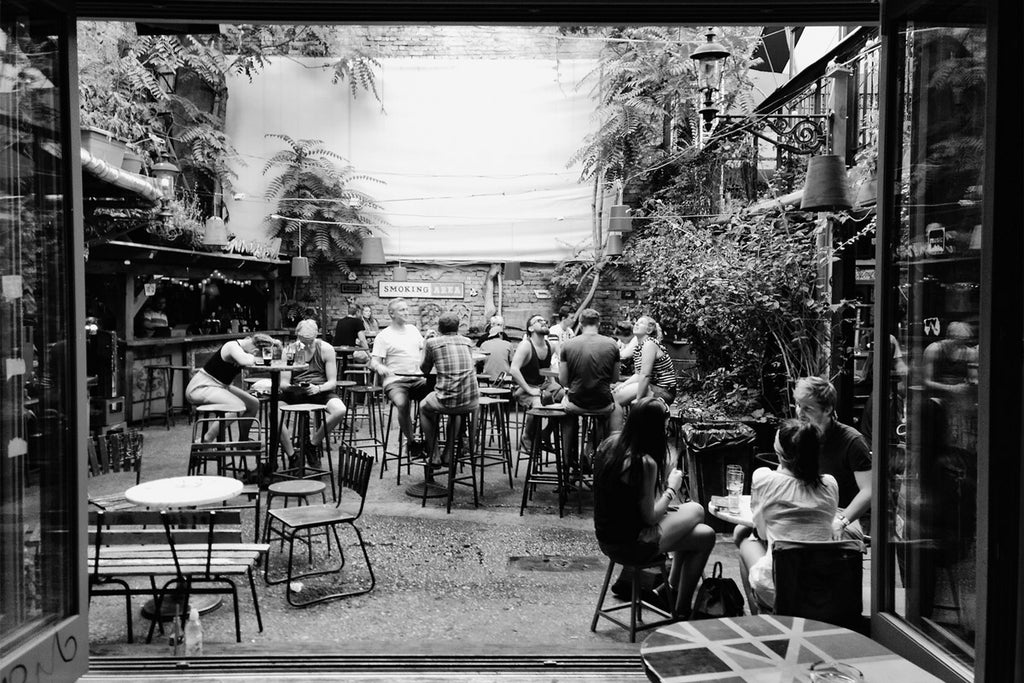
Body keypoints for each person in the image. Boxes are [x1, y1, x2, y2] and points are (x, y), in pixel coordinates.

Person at [594, 397, 716, 617]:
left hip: (607, 538)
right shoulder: (643, 462)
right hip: (632, 544)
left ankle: (670, 594)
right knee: (697, 510)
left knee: (705, 534)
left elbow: (633, 504)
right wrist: (672, 488)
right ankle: (679, 607)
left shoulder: (610, 444)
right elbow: (650, 517)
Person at [736, 419, 840, 610]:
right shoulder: (830, 484)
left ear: (780, 452)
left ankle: (763, 616)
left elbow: (761, 532)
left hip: (779, 588)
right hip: (821, 587)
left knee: (742, 537)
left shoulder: (764, 478)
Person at [793, 376, 871, 540]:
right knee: (743, 532)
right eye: (798, 406)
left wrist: (842, 521)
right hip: (807, 510)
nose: (800, 412)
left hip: (843, 514)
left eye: (807, 408)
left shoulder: (852, 441)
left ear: (827, 409)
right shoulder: (798, 435)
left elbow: (869, 491)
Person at [185, 333, 277, 442]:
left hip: (220, 386)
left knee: (253, 403)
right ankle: (206, 439)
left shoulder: (243, 351)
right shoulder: (232, 346)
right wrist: (252, 356)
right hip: (201, 387)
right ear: (256, 350)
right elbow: (246, 361)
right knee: (238, 406)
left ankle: (243, 441)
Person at [279, 320, 346, 468]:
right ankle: (292, 456)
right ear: (297, 335)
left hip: (320, 389)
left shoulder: (326, 349)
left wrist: (318, 388)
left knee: (340, 410)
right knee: (274, 415)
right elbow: (283, 383)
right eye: (303, 341)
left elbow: (332, 382)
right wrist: (293, 388)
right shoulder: (289, 350)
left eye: (310, 342)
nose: (307, 345)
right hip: (296, 390)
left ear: (316, 335)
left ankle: (312, 444)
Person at [559, 308, 622, 461]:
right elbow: (614, 379)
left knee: (565, 408)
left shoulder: (567, 345)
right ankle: (596, 455)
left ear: (580, 324)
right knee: (607, 412)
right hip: (603, 403)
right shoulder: (612, 344)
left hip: (576, 402)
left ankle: (568, 460)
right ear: (598, 324)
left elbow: (563, 381)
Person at [369, 299, 429, 457]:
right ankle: (411, 442)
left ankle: (430, 442)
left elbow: (424, 350)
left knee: (433, 399)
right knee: (402, 404)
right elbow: (373, 361)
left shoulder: (413, 330)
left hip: (417, 379)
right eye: (402, 310)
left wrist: (428, 340)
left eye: (407, 309)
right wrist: (380, 367)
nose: (406, 312)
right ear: (391, 314)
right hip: (395, 381)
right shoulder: (384, 336)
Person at [419, 313, 480, 464]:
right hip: (471, 401)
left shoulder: (432, 343)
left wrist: (425, 345)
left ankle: (434, 454)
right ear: (458, 328)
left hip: (448, 400)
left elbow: (424, 370)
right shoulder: (467, 341)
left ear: (439, 328)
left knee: (423, 407)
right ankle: (448, 453)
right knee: (457, 410)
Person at [510, 314, 563, 450]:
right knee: (537, 403)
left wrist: (553, 383)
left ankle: (546, 433)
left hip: (541, 385)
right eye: (538, 321)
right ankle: (527, 438)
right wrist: (529, 389)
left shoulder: (550, 345)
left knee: (565, 399)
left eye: (544, 320)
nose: (544, 322)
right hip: (523, 387)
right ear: (530, 328)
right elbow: (514, 370)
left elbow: (547, 367)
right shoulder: (525, 345)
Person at [613, 315, 677, 409]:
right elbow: (638, 375)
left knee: (615, 399)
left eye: (641, 323)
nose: (636, 324)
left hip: (662, 391)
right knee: (616, 395)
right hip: (651, 387)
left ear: (649, 331)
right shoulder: (638, 348)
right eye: (636, 322)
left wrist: (638, 399)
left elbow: (645, 375)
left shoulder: (649, 344)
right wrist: (623, 385)